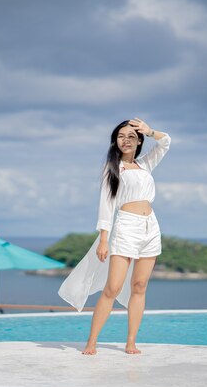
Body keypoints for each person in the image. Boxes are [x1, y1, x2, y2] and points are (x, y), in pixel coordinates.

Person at [58, 118, 171, 355]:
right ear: (115, 141)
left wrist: (150, 131)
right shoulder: (112, 169)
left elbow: (165, 142)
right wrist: (102, 238)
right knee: (113, 288)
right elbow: (106, 205)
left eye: (131, 136)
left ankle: (131, 341)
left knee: (139, 286)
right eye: (121, 136)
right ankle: (92, 341)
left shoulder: (145, 165)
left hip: (151, 227)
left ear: (139, 140)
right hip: (126, 227)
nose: (126, 140)